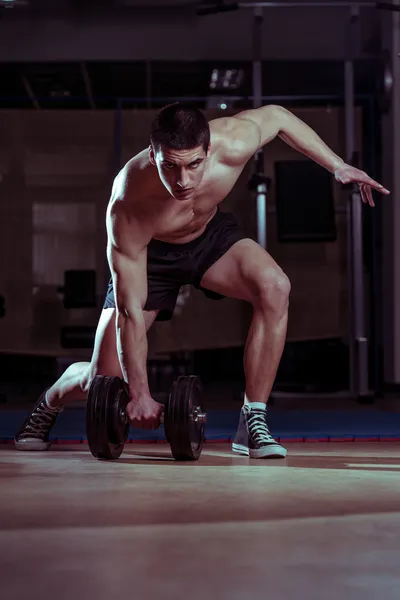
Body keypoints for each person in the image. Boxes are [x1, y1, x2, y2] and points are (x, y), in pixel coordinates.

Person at [14, 102, 389, 459]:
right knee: (103, 379)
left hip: (209, 239)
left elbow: (278, 118)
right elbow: (129, 312)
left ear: (209, 150)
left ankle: (253, 420)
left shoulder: (234, 139)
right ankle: (49, 402)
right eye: (170, 166)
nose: (183, 180)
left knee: (275, 285)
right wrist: (140, 395)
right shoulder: (128, 202)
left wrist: (337, 166)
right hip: (151, 256)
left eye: (194, 164)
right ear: (153, 152)